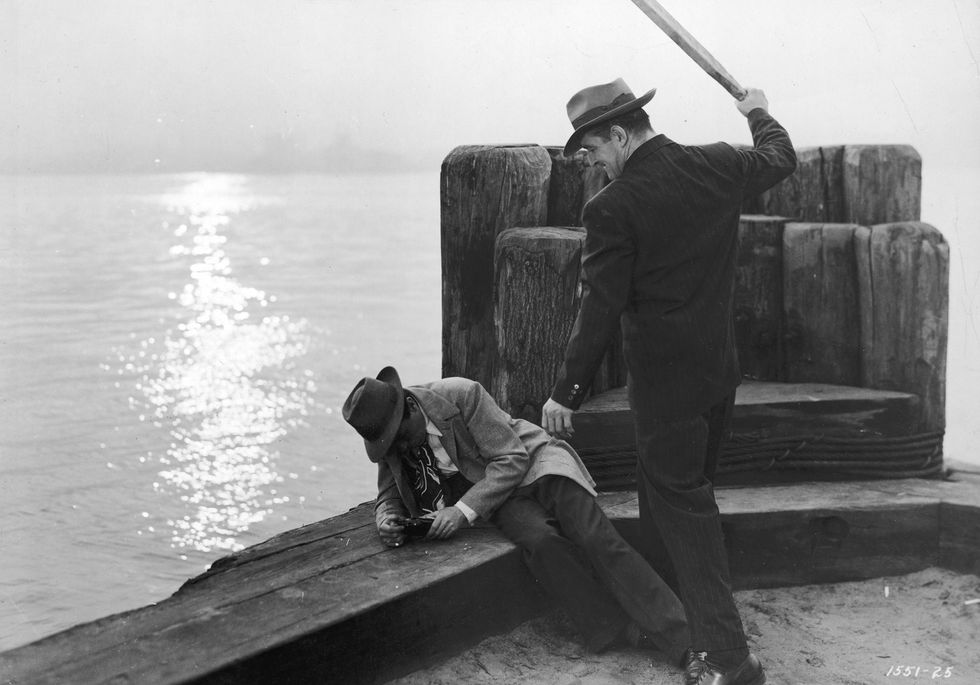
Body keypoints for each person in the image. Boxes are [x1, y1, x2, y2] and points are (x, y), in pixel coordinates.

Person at [541, 78, 796, 685]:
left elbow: (597, 308)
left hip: (665, 391)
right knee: (668, 498)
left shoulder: (611, 208)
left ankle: (729, 659)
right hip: (717, 376)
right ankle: (674, 618)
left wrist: (565, 393)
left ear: (621, 134)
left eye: (592, 149)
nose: (589, 162)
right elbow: (781, 156)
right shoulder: (717, 162)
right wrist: (758, 113)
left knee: (684, 506)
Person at [343, 366, 690, 665]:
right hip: (495, 493)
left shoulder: (462, 394)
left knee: (594, 536)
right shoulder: (392, 438)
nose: (401, 451)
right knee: (541, 544)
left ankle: (687, 644)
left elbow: (511, 459)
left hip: (535, 463)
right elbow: (388, 494)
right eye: (391, 447)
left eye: (401, 439)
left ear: (410, 407)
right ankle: (616, 629)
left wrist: (461, 512)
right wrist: (386, 520)